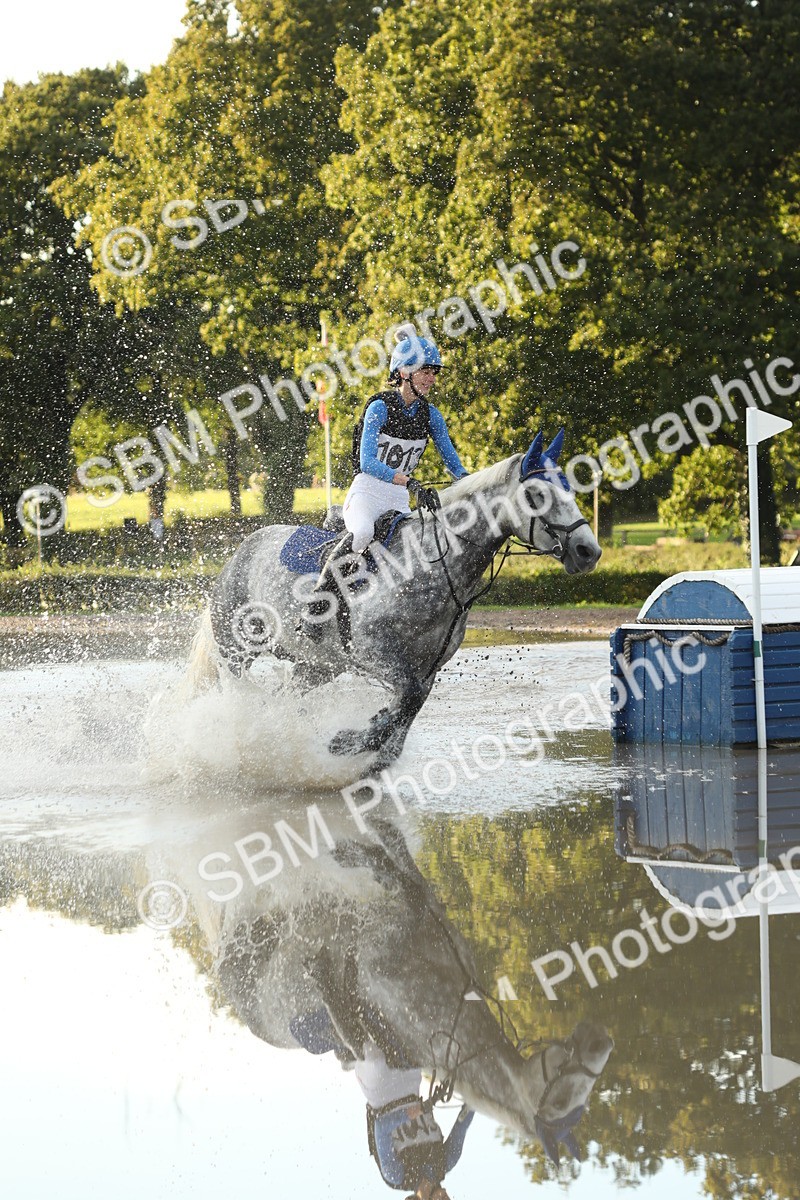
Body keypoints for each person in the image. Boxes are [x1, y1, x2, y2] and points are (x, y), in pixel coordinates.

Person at [299, 322, 469, 639]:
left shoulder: (432, 416)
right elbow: (367, 463)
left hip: (397, 501)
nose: (432, 378)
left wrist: (476, 485)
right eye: (426, 371)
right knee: (362, 532)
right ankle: (317, 609)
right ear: (404, 372)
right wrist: (410, 482)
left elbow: (453, 464)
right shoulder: (379, 407)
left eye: (434, 372)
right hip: (367, 493)